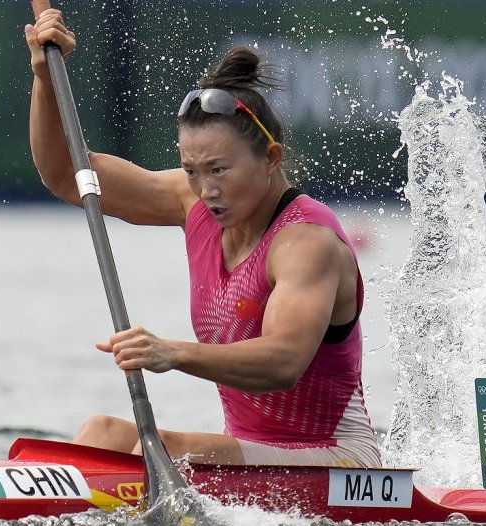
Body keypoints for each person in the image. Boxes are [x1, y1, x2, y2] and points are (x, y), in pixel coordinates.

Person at [24, 1, 381, 468]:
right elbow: (66, 174)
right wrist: (46, 79)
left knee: (167, 451)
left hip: (340, 463)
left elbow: (283, 363)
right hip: (252, 455)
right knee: (100, 434)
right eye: (192, 170)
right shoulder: (193, 202)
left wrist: (171, 352)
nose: (207, 190)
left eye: (220, 170)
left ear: (271, 158)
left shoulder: (307, 243)